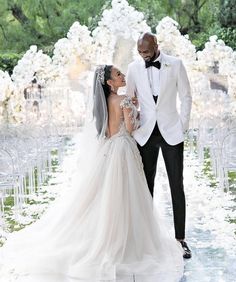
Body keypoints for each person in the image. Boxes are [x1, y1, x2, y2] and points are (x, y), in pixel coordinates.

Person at [0, 65, 184, 282]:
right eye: (118, 75)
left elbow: (108, 128)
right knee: (125, 195)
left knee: (106, 194)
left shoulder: (104, 102)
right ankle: (124, 240)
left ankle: (108, 233)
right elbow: (131, 127)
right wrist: (138, 112)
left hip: (109, 148)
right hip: (123, 149)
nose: (123, 76)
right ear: (109, 83)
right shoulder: (122, 99)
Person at [126, 32, 192, 259]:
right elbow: (130, 99)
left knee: (177, 186)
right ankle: (145, 241)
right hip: (145, 134)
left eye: (146, 51)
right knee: (146, 188)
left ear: (155, 45)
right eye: (140, 52)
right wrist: (132, 122)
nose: (143, 55)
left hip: (171, 132)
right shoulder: (134, 68)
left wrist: (181, 126)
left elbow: (186, 96)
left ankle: (180, 239)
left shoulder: (175, 64)